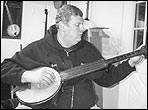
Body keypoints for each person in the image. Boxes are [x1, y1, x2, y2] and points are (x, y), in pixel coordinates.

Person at [1, 4, 145, 109]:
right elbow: (4, 68)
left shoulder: (89, 50)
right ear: (62, 26)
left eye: (82, 25)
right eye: (78, 25)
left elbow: (107, 79)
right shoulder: (39, 47)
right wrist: (29, 76)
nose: (83, 29)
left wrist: (130, 63)